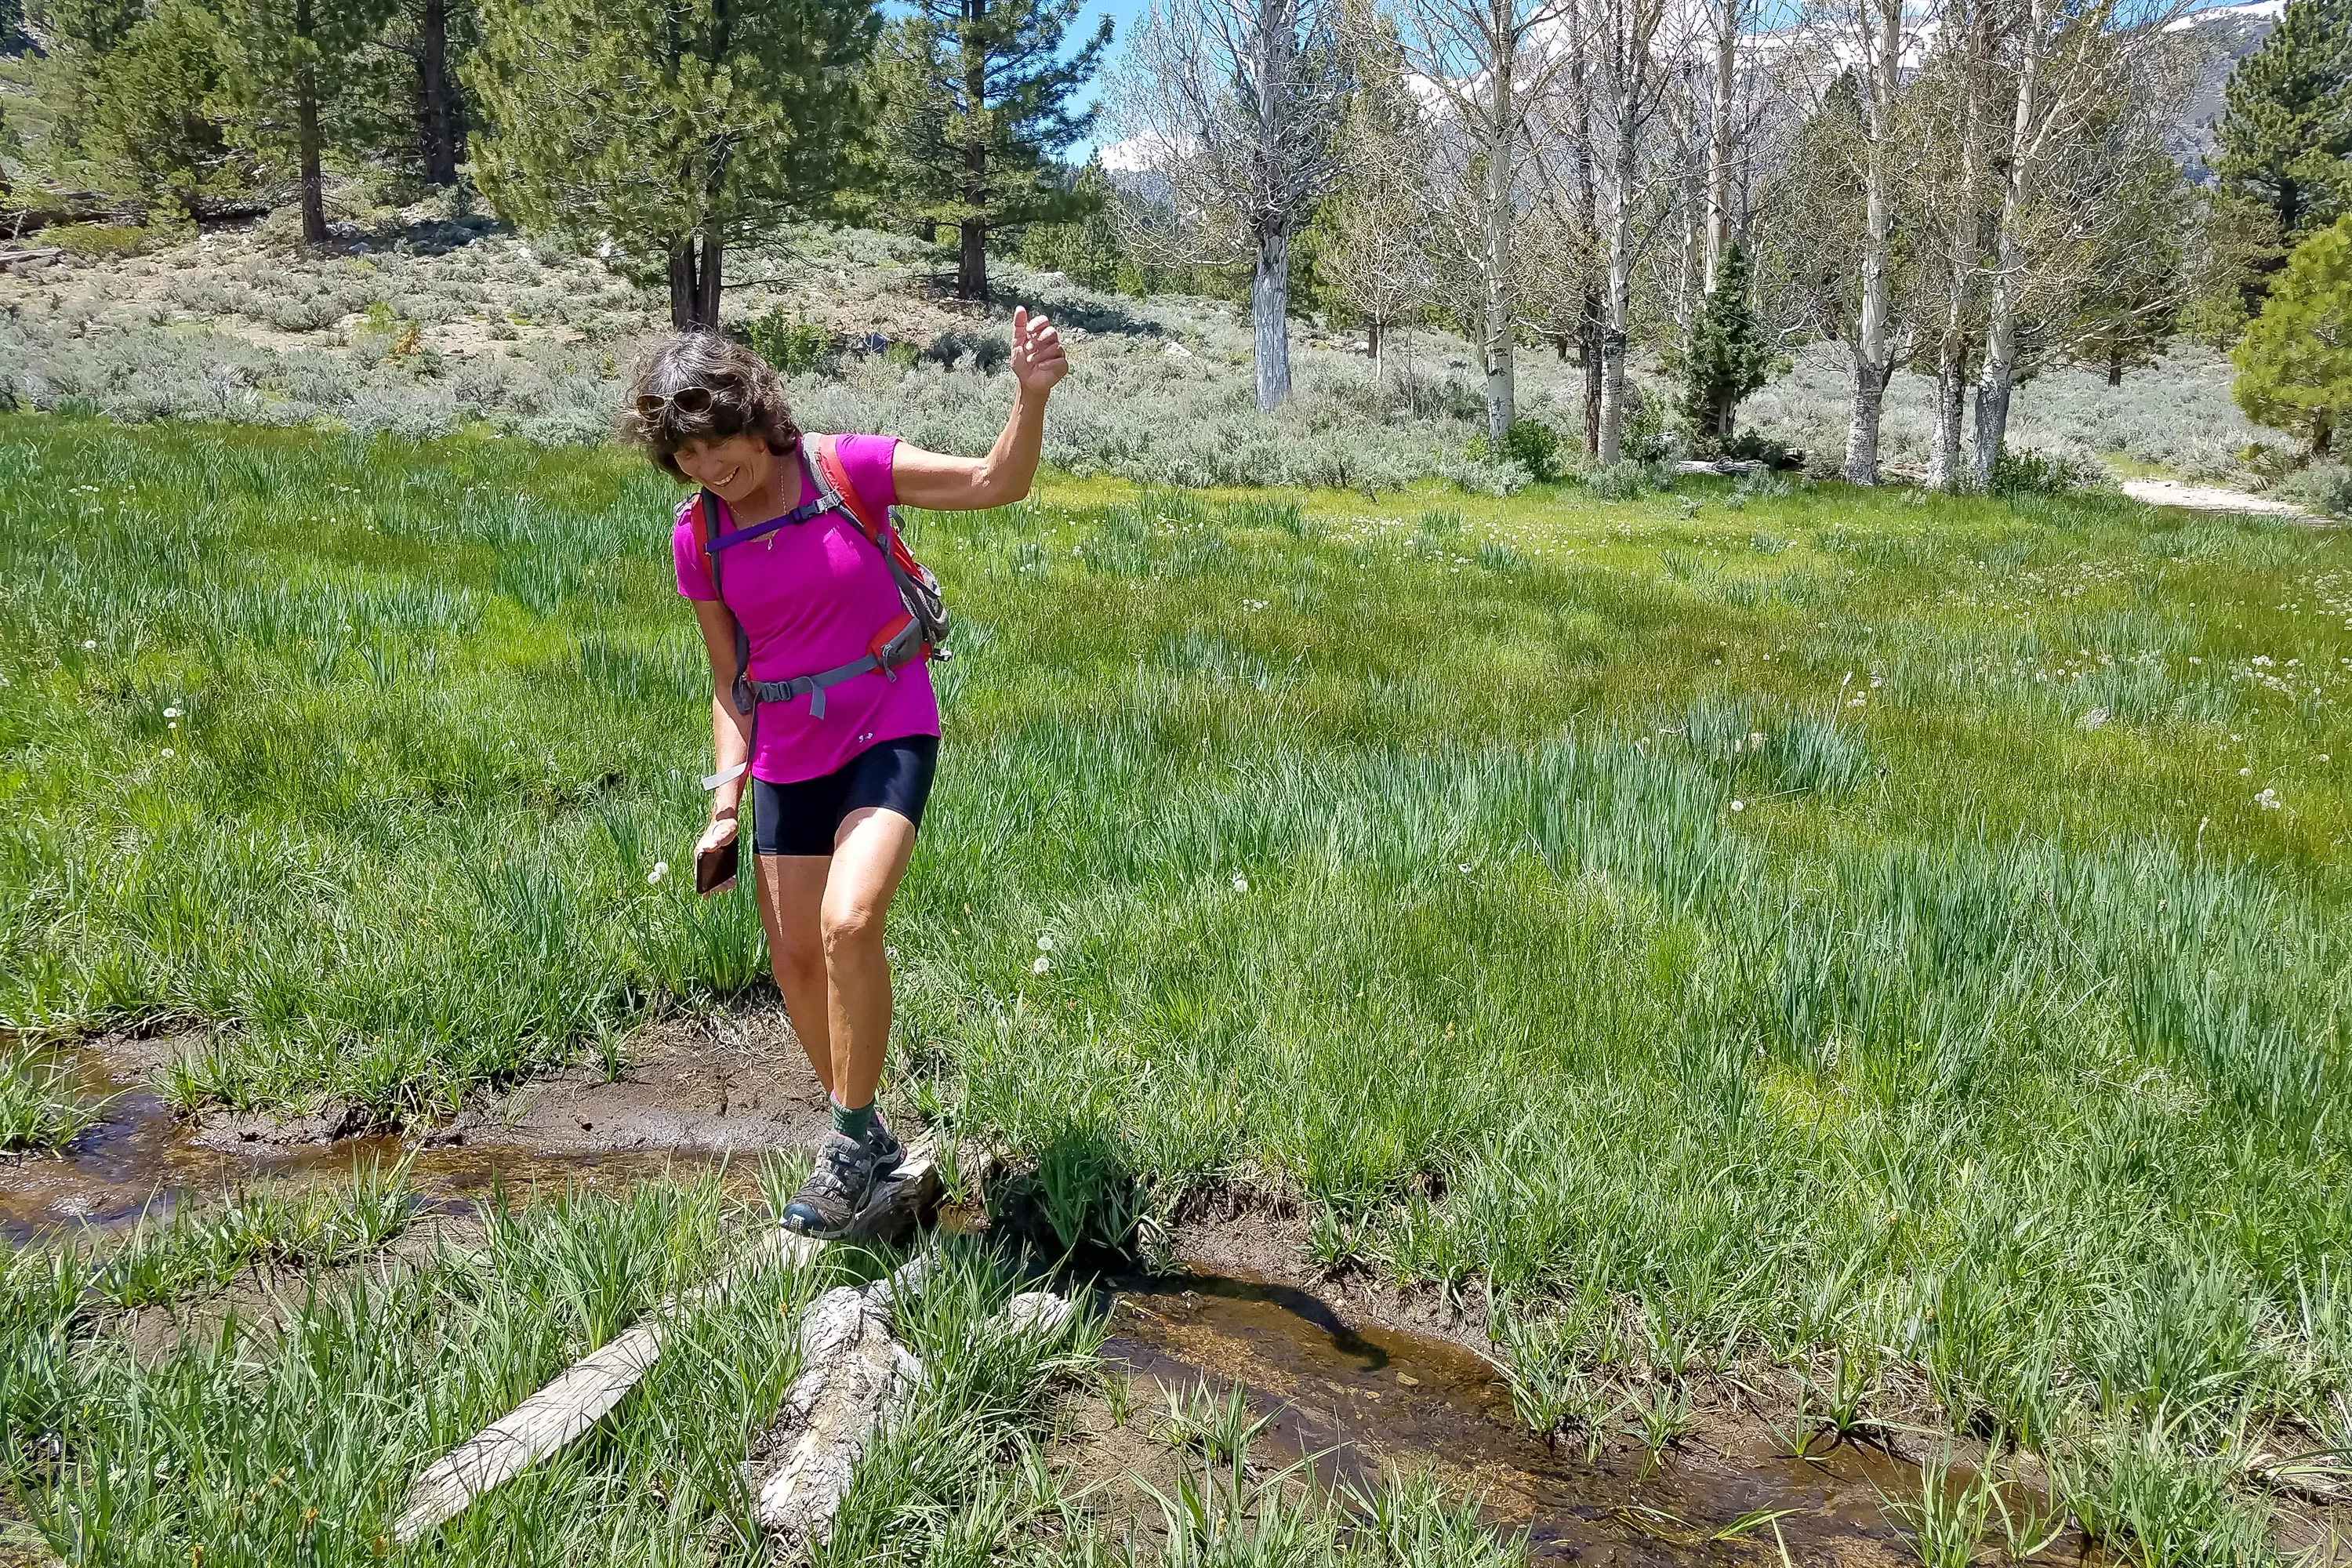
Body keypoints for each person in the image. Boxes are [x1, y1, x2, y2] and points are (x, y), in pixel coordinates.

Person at [621, 309, 1068, 1238]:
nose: (708, 466)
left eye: (716, 442)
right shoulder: (697, 536)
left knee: (850, 921)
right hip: (786, 751)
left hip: (886, 720)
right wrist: (724, 800)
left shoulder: (843, 468)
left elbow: (996, 481)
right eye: (686, 454)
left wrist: (1029, 397)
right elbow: (729, 681)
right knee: (794, 962)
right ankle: (866, 1138)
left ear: (754, 414)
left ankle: (848, 1139)